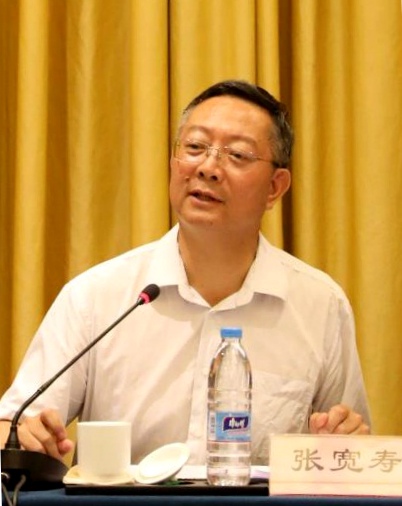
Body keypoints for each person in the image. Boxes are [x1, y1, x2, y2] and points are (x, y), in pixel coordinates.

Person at [0, 80, 371, 466]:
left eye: (237, 155)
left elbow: (352, 457)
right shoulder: (97, 297)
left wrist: (345, 440)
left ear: (275, 188)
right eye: (194, 147)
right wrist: (21, 434)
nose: (208, 168)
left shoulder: (320, 305)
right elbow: (14, 426)